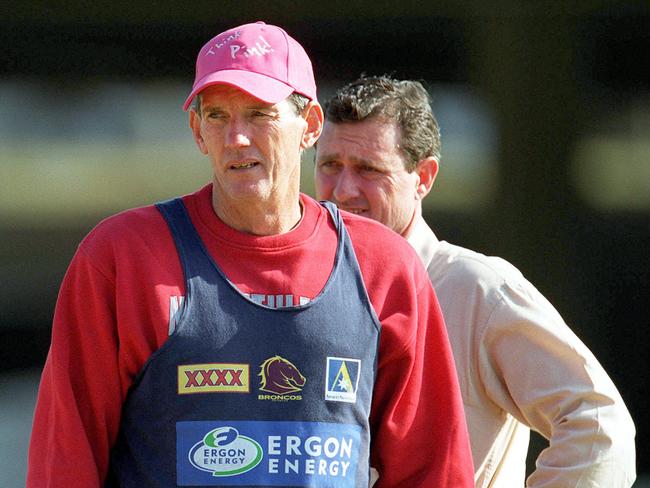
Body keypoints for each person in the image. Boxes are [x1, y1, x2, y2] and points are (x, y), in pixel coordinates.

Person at [26, 24, 474, 487]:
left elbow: (434, 469)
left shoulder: (385, 267)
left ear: (311, 127)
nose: (236, 138)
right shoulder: (123, 257)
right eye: (218, 116)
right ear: (198, 131)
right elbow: (64, 460)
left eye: (260, 114)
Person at [314, 74, 637, 487]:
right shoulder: (303, 291)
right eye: (330, 166)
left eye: (368, 169)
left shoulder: (476, 287)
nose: (342, 190)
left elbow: (598, 428)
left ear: (424, 177)